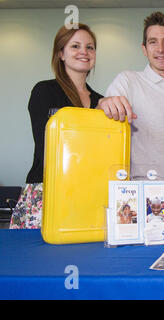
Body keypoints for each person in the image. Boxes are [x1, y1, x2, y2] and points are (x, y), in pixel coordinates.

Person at [98, 12, 164, 231]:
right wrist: (104, 103)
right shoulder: (127, 81)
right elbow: (103, 116)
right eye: (153, 42)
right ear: (144, 49)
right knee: (145, 257)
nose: (160, 49)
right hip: (145, 189)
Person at [10, 24, 102, 229]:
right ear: (61, 53)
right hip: (47, 190)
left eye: (90, 47)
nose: (84, 52)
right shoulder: (44, 91)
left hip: (86, 193)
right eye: (75, 46)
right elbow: (50, 147)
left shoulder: (101, 101)